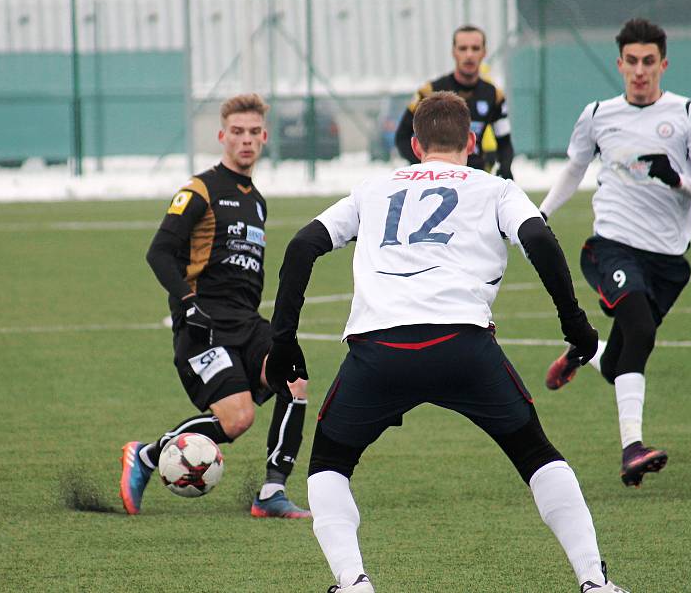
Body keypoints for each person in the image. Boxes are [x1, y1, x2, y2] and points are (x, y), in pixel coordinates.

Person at [267, 91, 629, 592]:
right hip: (463, 345)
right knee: (537, 456)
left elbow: (302, 244)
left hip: (380, 351)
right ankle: (594, 582)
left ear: (415, 145)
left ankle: (354, 583)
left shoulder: (372, 189)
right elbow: (541, 240)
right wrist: (576, 325)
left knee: (329, 467)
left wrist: (284, 338)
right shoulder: (495, 189)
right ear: (473, 142)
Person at [540, 18, 691, 488]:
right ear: (619, 64)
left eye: (649, 62)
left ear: (664, 64)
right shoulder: (599, 113)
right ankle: (632, 449)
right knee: (640, 327)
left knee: (623, 359)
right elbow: (574, 169)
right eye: (632, 62)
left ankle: (586, 352)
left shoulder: (688, 115)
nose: (640, 71)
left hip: (667, 261)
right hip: (611, 247)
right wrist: (540, 215)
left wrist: (677, 180)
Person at [119, 93, 311, 518]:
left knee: (294, 378)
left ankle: (271, 493)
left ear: (265, 137)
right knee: (237, 420)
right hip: (203, 325)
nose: (246, 140)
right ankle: (147, 457)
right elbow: (159, 252)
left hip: (246, 322)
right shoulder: (200, 190)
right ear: (222, 136)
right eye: (237, 133)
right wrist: (187, 303)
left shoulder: (257, 199)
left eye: (254, 133)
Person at [394, 24, 515, 180]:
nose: (469, 55)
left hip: (475, 178)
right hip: (437, 178)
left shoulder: (494, 95)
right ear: (453, 52)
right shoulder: (430, 91)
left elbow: (504, 141)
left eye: (475, 48)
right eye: (463, 48)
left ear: (484, 53)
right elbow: (402, 136)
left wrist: (505, 169)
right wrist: (424, 167)